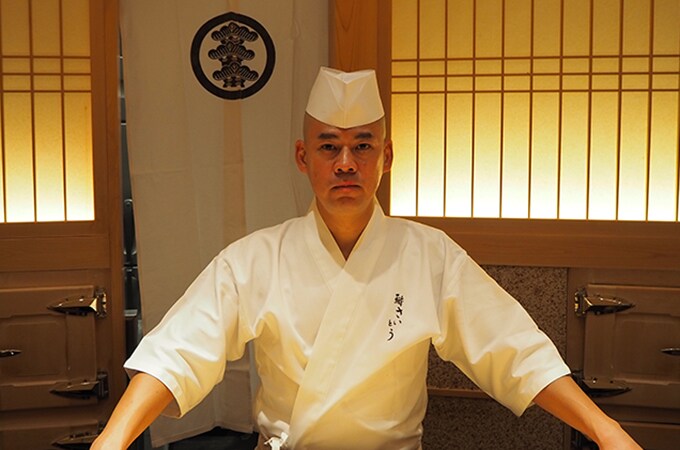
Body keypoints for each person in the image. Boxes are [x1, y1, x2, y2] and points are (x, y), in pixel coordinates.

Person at [92, 67, 641, 450]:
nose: (346, 162)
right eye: (329, 146)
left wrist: (606, 431)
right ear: (303, 157)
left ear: (387, 155)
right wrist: (113, 439)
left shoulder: (429, 254)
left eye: (363, 145)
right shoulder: (255, 258)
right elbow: (179, 349)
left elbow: (512, 347)